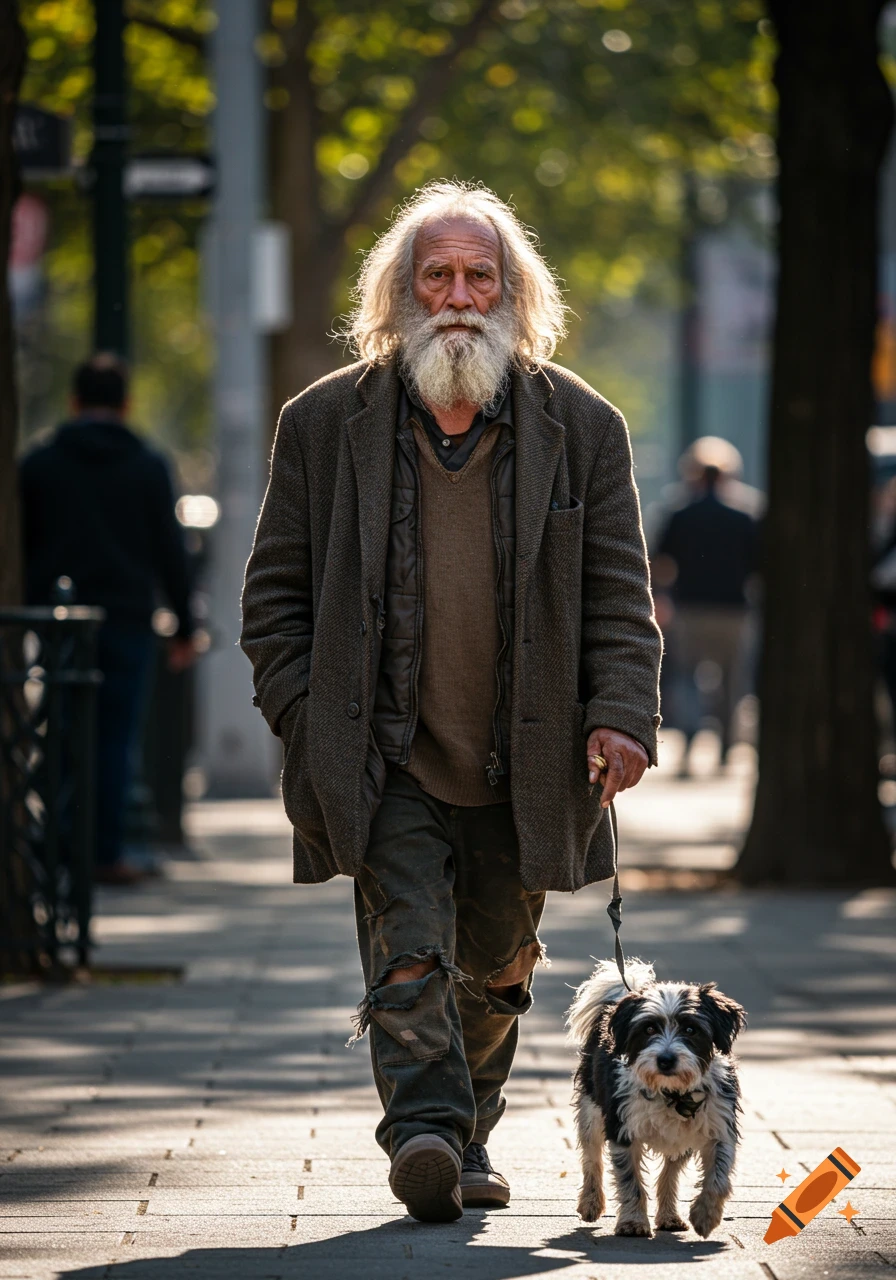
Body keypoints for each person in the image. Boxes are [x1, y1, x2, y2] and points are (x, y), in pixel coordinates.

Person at [240, 181, 662, 1222]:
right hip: (380, 755)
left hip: (527, 759)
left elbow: (619, 596)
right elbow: (273, 598)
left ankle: (466, 1130)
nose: (459, 296)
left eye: (480, 275)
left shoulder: (583, 424)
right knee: (409, 950)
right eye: (437, 274)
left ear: (514, 291)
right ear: (400, 291)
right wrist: (309, 713)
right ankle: (422, 1131)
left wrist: (620, 713)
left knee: (497, 968)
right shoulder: (323, 420)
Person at [19, 353, 197, 886]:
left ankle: (57, 841)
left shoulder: (40, 464)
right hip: (127, 620)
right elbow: (171, 552)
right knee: (117, 738)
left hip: (56, 620)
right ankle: (105, 850)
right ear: (126, 404)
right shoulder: (146, 464)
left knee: (59, 730)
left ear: (74, 402)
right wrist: (185, 625)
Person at [653, 449, 760, 776]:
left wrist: (662, 598)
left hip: (690, 608)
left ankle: (687, 742)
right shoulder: (744, 515)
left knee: (686, 677)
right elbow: (757, 564)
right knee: (731, 681)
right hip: (732, 610)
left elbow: (660, 561)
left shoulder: (679, 514)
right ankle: (726, 749)